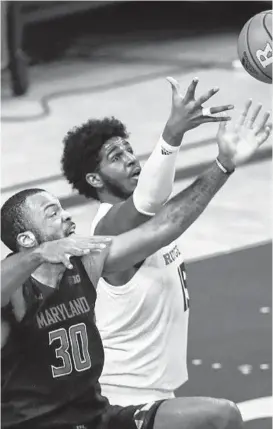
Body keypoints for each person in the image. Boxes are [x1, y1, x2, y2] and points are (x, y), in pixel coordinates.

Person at [2, 112, 257, 428]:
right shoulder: (15, 289)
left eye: (63, 209)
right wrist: (38, 254)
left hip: (97, 416)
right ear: (26, 239)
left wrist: (223, 166)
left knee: (222, 416)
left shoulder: (86, 262)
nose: (67, 218)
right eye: (53, 214)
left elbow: (166, 224)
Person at [61, 75, 271, 405]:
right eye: (116, 156)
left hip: (154, 391)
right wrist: (173, 134)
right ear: (94, 179)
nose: (131, 158)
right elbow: (153, 201)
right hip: (122, 397)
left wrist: (225, 163)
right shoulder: (109, 228)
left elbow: (164, 210)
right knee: (220, 417)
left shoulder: (143, 221)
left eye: (129, 149)